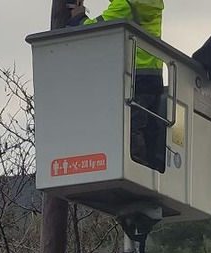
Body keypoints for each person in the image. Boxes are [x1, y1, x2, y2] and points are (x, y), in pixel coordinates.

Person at [66, 1, 167, 171]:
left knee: (132, 126)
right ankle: (152, 170)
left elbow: (95, 28)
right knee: (149, 126)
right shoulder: (152, 4)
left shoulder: (124, 5)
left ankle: (137, 169)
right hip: (153, 74)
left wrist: (78, 18)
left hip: (134, 75)